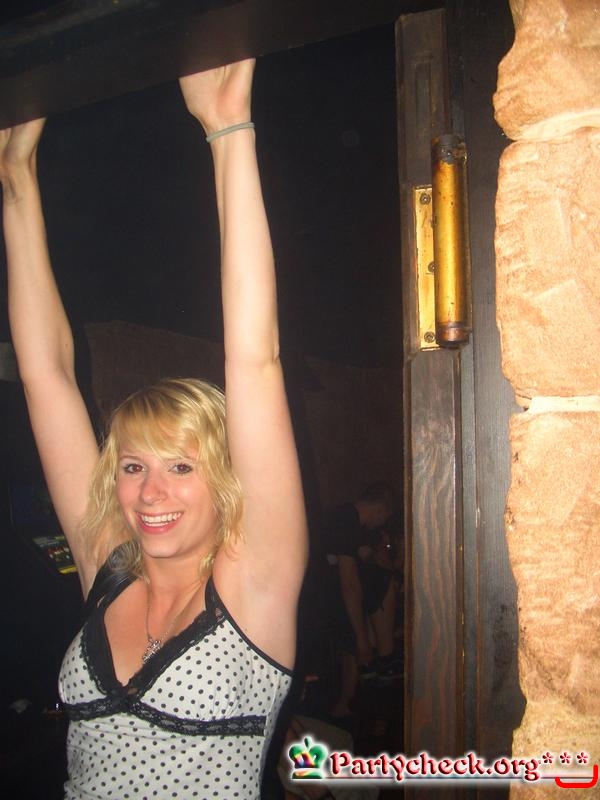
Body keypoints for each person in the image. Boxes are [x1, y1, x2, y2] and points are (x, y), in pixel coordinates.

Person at [0, 58, 308, 799]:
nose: (149, 492)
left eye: (181, 466)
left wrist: (228, 129)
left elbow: (255, 359)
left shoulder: (255, 583)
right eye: (133, 467)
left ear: (223, 479)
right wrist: (15, 178)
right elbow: (46, 376)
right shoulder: (107, 563)